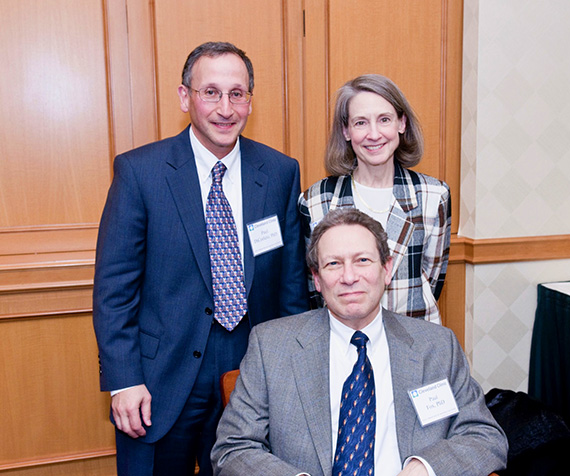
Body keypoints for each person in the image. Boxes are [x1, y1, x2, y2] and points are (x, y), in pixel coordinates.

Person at [92, 41, 309, 476]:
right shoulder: (140, 172)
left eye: (237, 93)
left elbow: (290, 286)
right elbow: (114, 290)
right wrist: (124, 379)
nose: (225, 108)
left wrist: (291, 375)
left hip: (251, 369)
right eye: (211, 92)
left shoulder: (280, 171)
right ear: (184, 96)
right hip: (160, 376)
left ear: (250, 99)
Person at [212, 208, 507, 476]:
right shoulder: (272, 346)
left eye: (362, 260)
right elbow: (233, 448)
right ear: (316, 278)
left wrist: (425, 468)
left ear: (386, 269)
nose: (349, 277)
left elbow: (484, 437)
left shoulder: (436, 346)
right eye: (333, 264)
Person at [298, 74, 451, 324]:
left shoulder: (434, 196)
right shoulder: (316, 201)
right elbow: (316, 288)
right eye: (360, 123)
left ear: (401, 123)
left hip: (416, 336)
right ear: (346, 131)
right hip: (341, 337)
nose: (374, 134)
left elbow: (432, 282)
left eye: (384, 120)